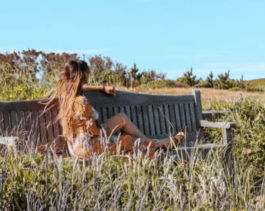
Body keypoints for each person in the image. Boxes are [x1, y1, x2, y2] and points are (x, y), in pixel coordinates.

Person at [52, 58, 185, 159]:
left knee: (121, 120)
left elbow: (79, 87)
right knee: (130, 142)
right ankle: (160, 143)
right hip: (91, 148)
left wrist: (101, 88)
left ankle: (153, 141)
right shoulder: (82, 102)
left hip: (76, 149)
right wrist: (111, 131)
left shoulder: (65, 96)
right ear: (84, 76)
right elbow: (95, 132)